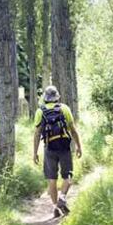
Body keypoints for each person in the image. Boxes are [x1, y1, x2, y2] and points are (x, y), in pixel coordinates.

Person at [33, 85, 82, 218]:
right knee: (68, 176)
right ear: (57, 97)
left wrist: (35, 152)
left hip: (49, 148)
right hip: (64, 147)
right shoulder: (64, 108)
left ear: (45, 98)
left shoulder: (40, 111)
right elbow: (73, 129)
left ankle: (55, 207)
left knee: (52, 180)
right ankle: (63, 197)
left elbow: (37, 134)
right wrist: (78, 146)